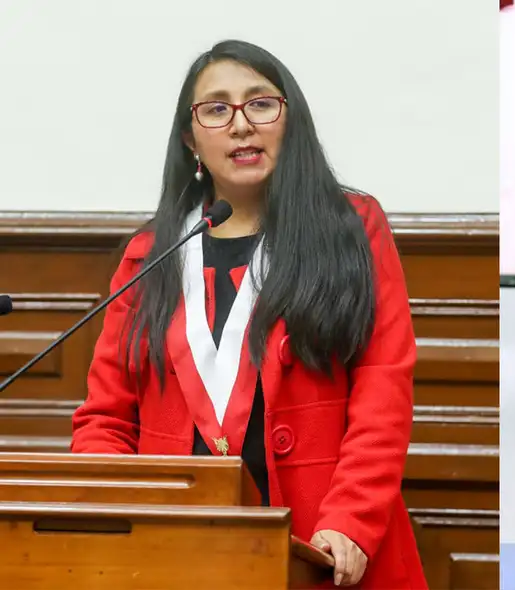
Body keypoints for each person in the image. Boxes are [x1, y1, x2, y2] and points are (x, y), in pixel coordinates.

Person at [70, 40, 428, 589]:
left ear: (291, 122)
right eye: (216, 110)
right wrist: (118, 517)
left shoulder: (352, 229)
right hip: (175, 556)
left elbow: (383, 390)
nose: (241, 125)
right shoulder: (151, 255)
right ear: (191, 140)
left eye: (260, 104)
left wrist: (350, 522)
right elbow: (105, 420)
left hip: (323, 552)